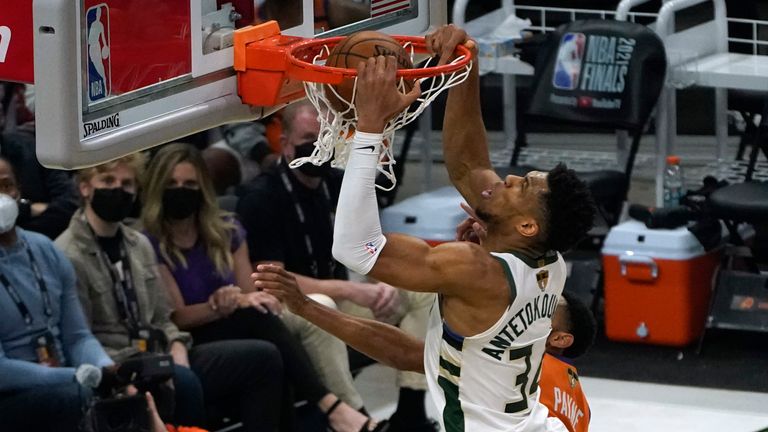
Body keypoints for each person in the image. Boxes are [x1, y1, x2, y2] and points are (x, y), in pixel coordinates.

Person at [278, 24, 595, 431]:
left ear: (528, 225)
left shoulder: (475, 270)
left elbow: (356, 249)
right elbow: (469, 166)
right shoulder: (551, 263)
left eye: (523, 187)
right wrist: (466, 66)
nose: (510, 179)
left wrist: (370, 128)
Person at [142, 143, 383, 432]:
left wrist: (238, 299)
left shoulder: (226, 229)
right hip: (194, 334)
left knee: (293, 321)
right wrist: (218, 304)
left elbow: (250, 292)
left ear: (202, 187)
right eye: (172, 184)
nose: (181, 190)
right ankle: (336, 409)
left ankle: (344, 409)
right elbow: (176, 317)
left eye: (190, 183)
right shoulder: (148, 243)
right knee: (259, 325)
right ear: (158, 188)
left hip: (242, 321)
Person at [237, 100, 437, 430]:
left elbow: (372, 244)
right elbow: (269, 280)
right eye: (308, 137)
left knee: (422, 294)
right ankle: (357, 420)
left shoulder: (335, 183)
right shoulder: (261, 197)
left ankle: (411, 412)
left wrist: (382, 282)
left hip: (340, 301)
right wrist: (349, 290)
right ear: (284, 141)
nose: (318, 146)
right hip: (288, 308)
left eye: (325, 137)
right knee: (322, 304)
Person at [55, 153, 288, 430]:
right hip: (115, 363)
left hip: (159, 352)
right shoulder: (67, 254)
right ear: (85, 187)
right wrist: (126, 373)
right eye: (107, 180)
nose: (118, 189)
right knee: (185, 382)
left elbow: (163, 318)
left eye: (127, 184)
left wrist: (177, 352)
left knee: (263, 358)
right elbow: (80, 339)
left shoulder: (138, 244)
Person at [253, 265, 596, 432]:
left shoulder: (504, 363)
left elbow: (399, 351)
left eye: (542, 308)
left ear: (559, 338)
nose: (526, 306)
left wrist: (306, 307)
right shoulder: (575, 393)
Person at [0, 156, 114, 432]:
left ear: (18, 192)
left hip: (66, 380)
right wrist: (74, 377)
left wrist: (106, 367)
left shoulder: (45, 249)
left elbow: (77, 336)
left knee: (171, 382)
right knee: (76, 398)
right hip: (13, 393)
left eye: (6, 186)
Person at [0, 82, 78, 239]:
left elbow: (69, 206)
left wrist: (23, 212)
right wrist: (30, 211)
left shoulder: (32, 149)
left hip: (40, 245)